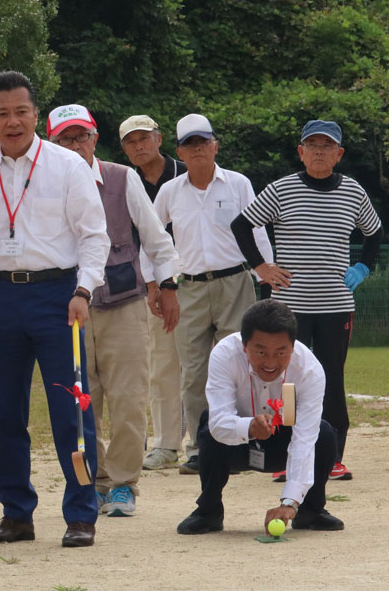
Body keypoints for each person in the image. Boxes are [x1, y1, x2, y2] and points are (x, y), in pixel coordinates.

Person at [0, 69, 109, 549]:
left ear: (36, 114)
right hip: (2, 300)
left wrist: (83, 291)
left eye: (21, 111)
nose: (13, 121)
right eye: (2, 113)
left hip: (59, 297)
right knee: (6, 415)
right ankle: (16, 514)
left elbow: (93, 235)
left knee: (71, 408)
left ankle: (81, 514)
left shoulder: (66, 166)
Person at [47, 103, 180, 520]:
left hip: (124, 303)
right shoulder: (41, 185)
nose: (75, 145)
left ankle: (123, 484)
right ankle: (93, 481)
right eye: (65, 139)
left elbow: (157, 241)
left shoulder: (123, 179)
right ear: (51, 144)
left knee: (128, 397)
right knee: (81, 400)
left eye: (81, 136)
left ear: (94, 138)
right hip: (68, 307)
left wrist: (168, 286)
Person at [231, 118, 383, 481]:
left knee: (331, 378)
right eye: (312, 146)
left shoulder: (352, 191)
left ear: (338, 154)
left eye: (326, 146)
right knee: (287, 382)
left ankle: (331, 458)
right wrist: (261, 267)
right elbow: (241, 224)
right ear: (300, 152)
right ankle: (288, 460)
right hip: (289, 307)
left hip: (335, 304)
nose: (318, 151)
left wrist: (362, 267)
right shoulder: (281, 189)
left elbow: (374, 232)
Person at [151, 114, 265, 475]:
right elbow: (153, 241)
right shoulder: (169, 192)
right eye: (190, 144)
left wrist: (267, 275)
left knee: (241, 365)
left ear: (215, 145)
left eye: (204, 142)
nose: (198, 149)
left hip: (236, 282)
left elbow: (258, 230)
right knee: (194, 371)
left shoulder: (238, 184)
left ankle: (244, 442)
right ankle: (201, 446)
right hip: (189, 288)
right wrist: (155, 284)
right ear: (179, 152)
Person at [177, 298, 342, 535]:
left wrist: (289, 502)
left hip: (282, 446)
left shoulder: (310, 370)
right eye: (261, 351)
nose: (271, 363)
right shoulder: (224, 354)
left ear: (293, 346)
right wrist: (249, 427)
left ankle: (310, 510)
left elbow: (305, 439)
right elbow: (219, 423)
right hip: (236, 447)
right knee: (207, 424)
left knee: (324, 434)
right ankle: (208, 511)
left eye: (281, 352)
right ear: (244, 345)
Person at [120, 115, 185, 471]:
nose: (139, 147)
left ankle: (213, 442)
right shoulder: (123, 181)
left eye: (144, 138)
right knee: (160, 365)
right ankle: (166, 442)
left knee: (203, 367)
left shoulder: (186, 175)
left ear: (159, 139)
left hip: (193, 278)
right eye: (131, 142)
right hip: (146, 286)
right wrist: (154, 285)